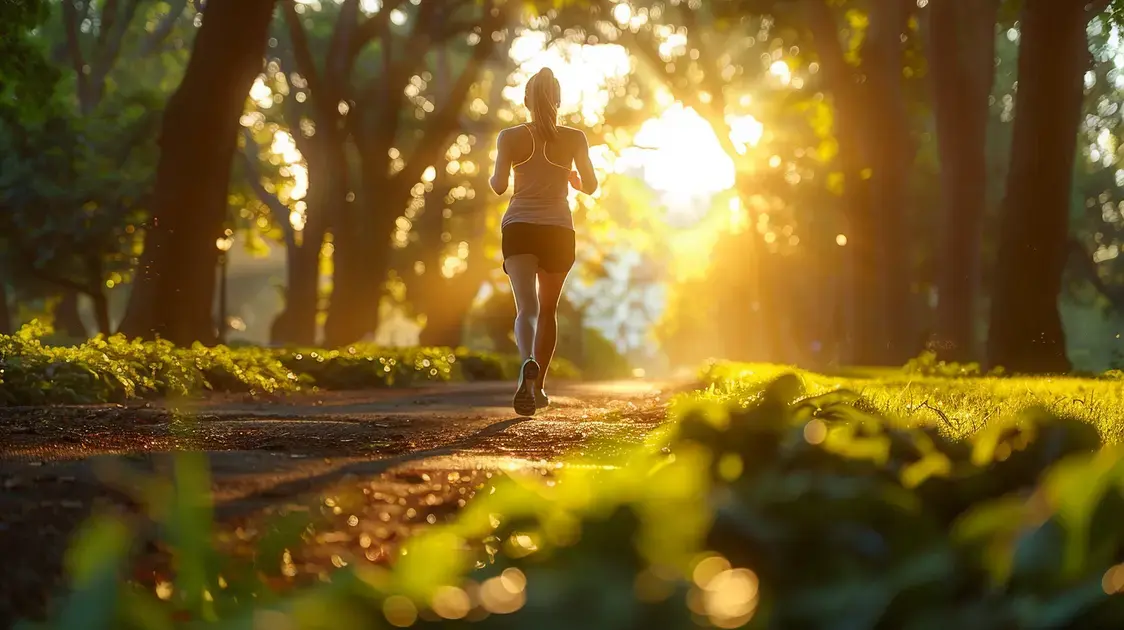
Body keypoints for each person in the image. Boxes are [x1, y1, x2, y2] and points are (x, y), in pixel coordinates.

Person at [488, 67, 598, 417]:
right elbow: (591, 186)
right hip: (558, 231)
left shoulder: (509, 137)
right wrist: (574, 180)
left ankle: (526, 362)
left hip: (519, 226)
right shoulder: (575, 137)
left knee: (527, 309)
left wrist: (501, 169)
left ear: (526, 100)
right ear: (559, 100)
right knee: (548, 311)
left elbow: (498, 185)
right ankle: (538, 388)